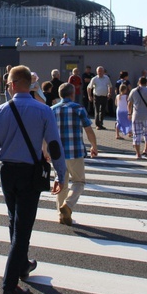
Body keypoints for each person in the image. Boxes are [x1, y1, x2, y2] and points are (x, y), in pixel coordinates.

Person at [0, 65, 66, 294]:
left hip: (8, 171)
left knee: (14, 219)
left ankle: (22, 265)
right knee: (23, 227)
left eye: (8, 84)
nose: (7, 88)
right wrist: (61, 174)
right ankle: (9, 285)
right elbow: (53, 146)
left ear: (13, 84)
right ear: (29, 84)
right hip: (31, 172)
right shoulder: (44, 110)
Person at [51, 83, 98, 226]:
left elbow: (46, 132)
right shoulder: (78, 108)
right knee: (79, 182)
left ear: (60, 95)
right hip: (75, 151)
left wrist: (45, 150)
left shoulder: (52, 110)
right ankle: (68, 205)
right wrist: (94, 146)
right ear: (72, 94)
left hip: (57, 153)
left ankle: (61, 215)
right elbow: (89, 129)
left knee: (61, 184)